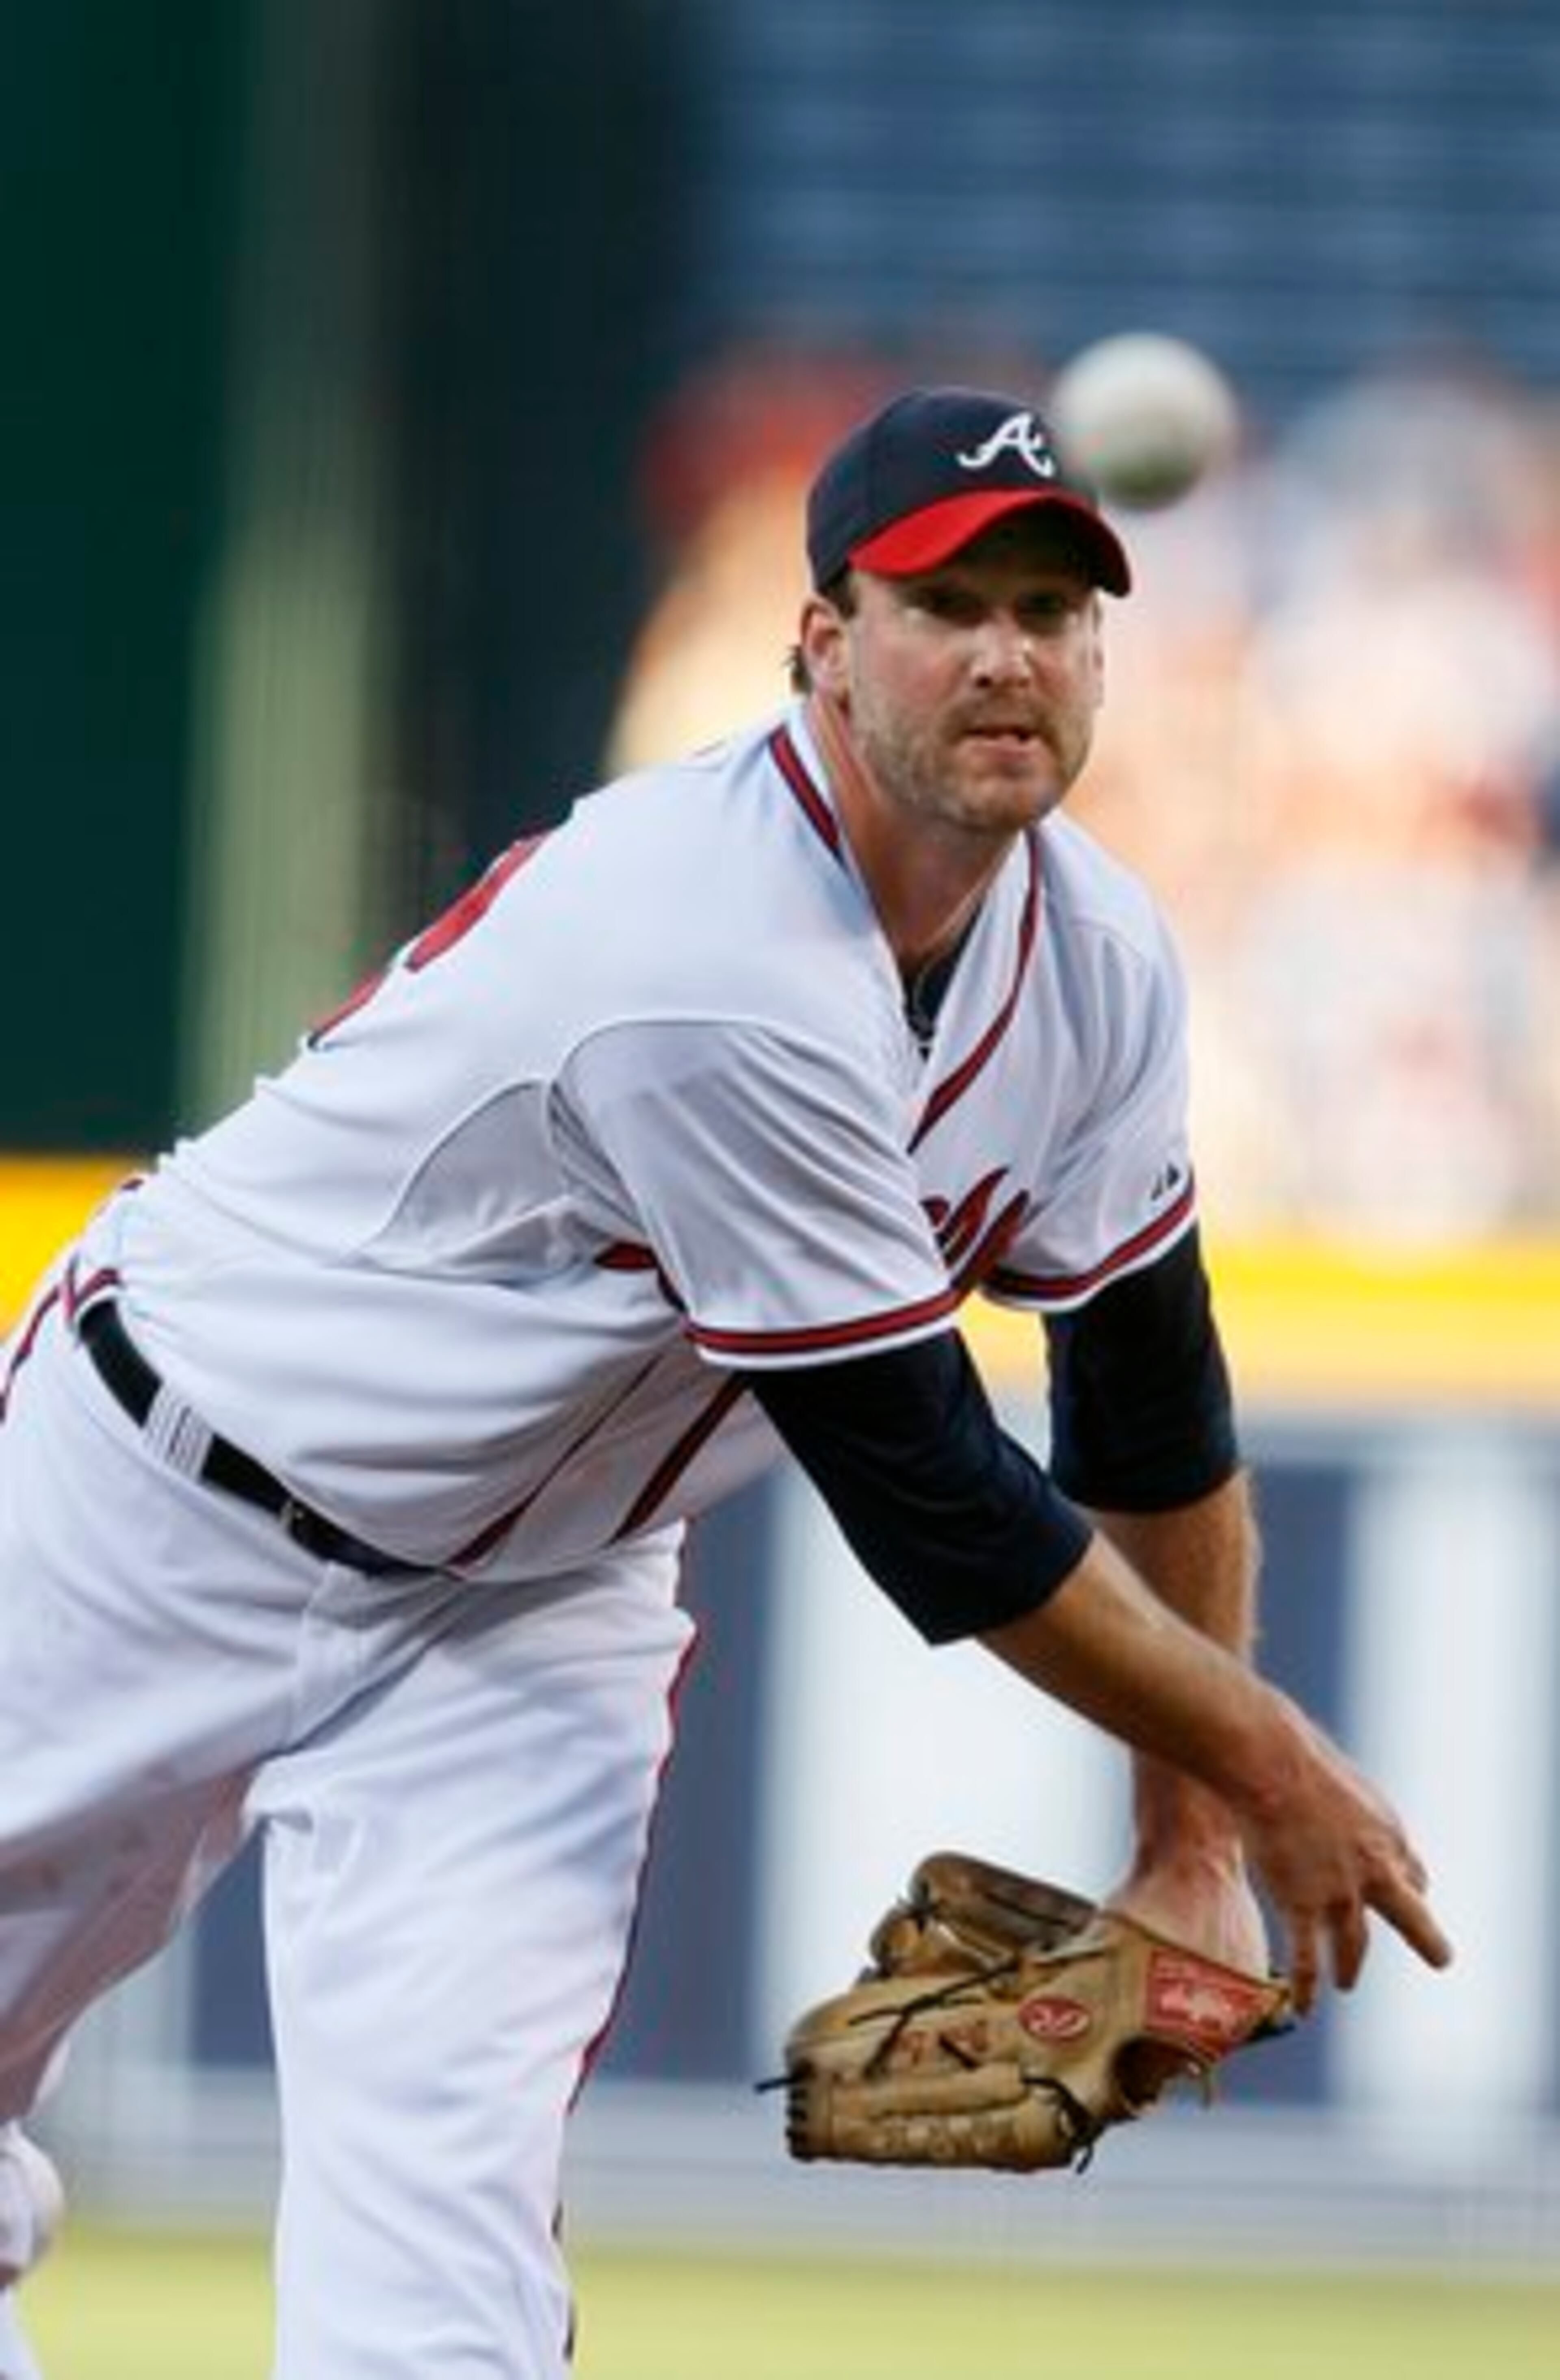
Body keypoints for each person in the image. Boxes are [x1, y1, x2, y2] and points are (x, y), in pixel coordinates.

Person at [0, 384, 1451, 2379]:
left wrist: (1189, 1842)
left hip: (529, 1603)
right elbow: (937, 1498)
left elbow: (1147, 1404)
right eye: (947, 607)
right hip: (168, 1486)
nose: (1009, 656)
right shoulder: (705, 944)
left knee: (444, 2258)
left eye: (1052, 609)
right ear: (823, 645)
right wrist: (1275, 1765)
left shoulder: (1101, 964)